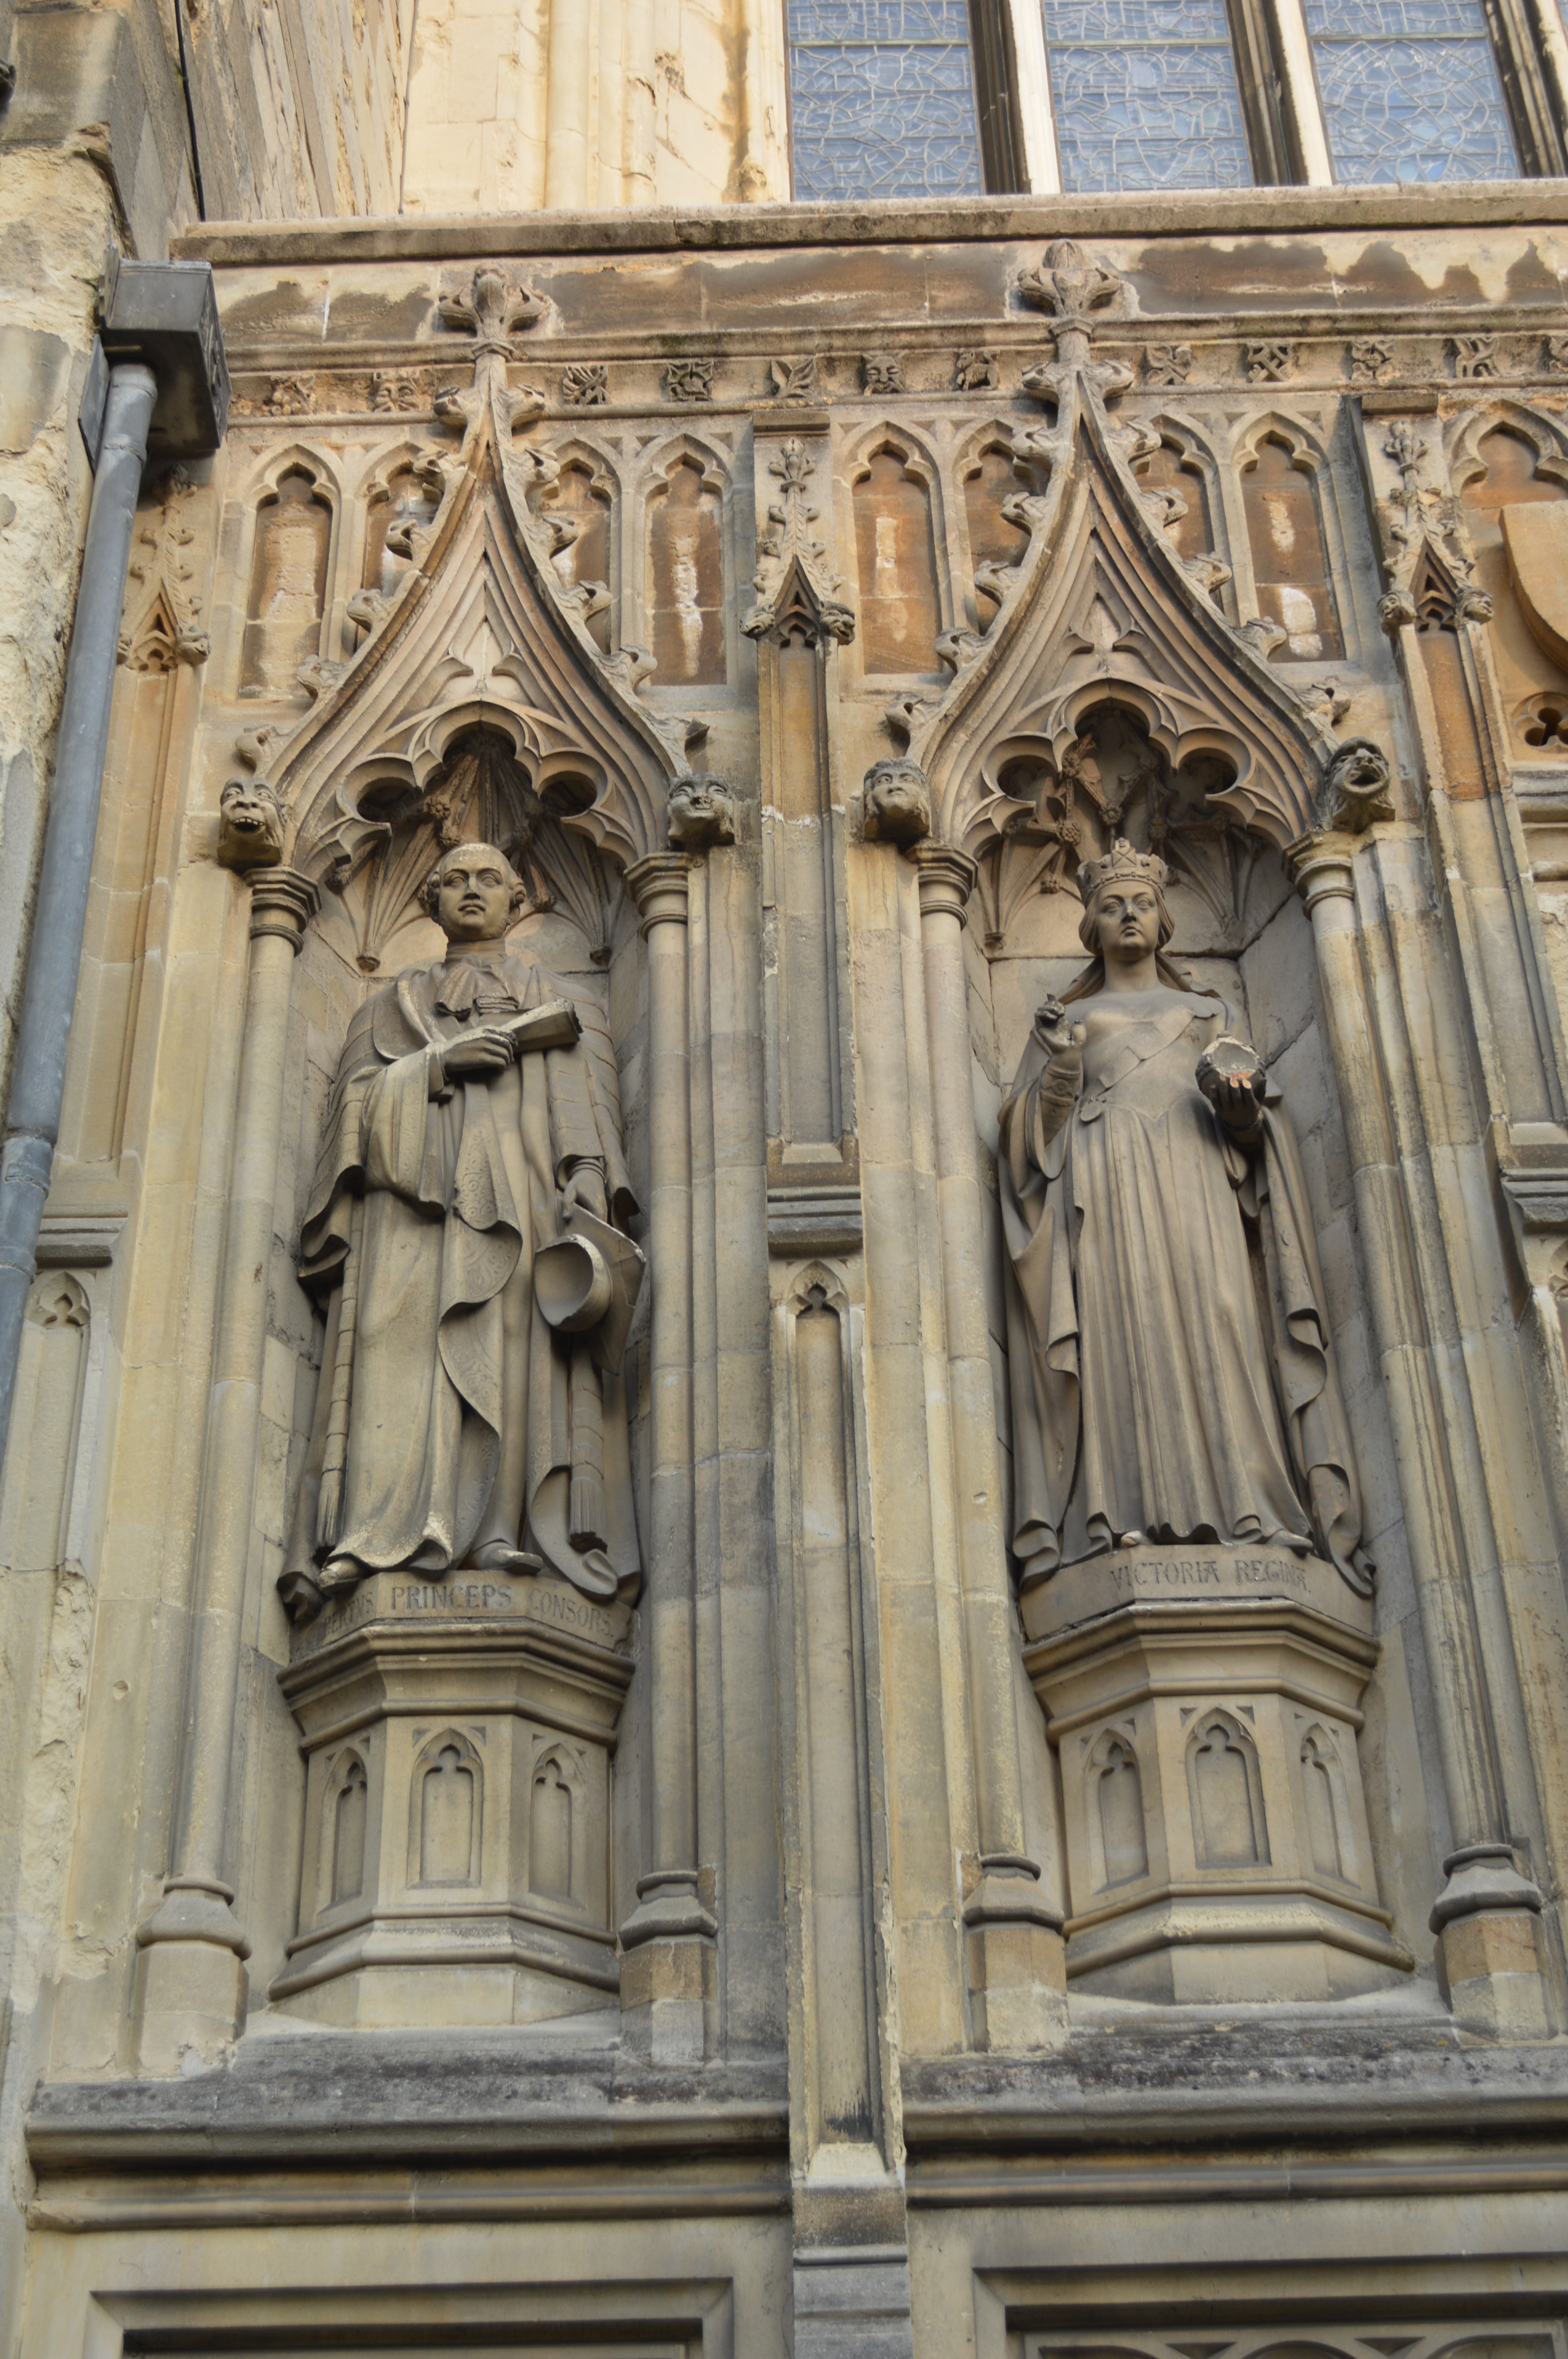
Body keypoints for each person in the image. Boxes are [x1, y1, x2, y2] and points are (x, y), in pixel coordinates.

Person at [998, 837, 1371, 1594]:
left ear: (1164, 919)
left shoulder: (1206, 1010)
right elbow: (1025, 1145)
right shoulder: (1071, 1020)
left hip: (1198, 1183)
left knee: (1223, 1320)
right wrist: (1060, 1066)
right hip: (1104, 1190)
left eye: (1141, 903)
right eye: (1111, 906)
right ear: (1091, 925)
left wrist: (1241, 1116)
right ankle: (1116, 1516)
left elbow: (1254, 1115)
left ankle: (1252, 1507)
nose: (1128, 914)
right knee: (1122, 1335)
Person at [279, 841, 640, 1616]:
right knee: (392, 1349)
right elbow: (350, 1113)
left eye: (488, 879)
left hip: (518, 1197)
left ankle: (492, 1532)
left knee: (509, 1353)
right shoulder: (389, 1005)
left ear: (519, 896)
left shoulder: (555, 995)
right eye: (453, 880)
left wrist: (583, 1182)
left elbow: (587, 1112)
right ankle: (373, 1536)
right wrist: (440, 1066)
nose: (471, 890)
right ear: (431, 899)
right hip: (407, 1217)